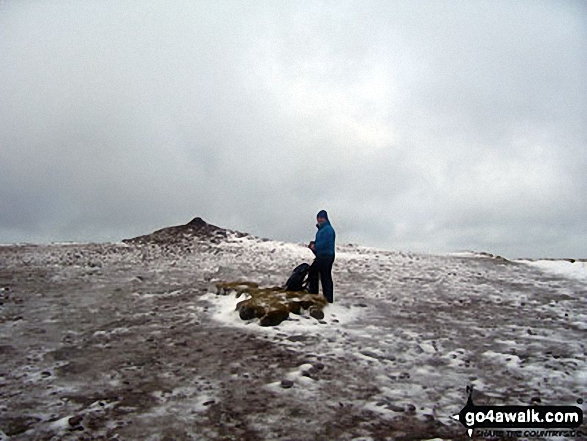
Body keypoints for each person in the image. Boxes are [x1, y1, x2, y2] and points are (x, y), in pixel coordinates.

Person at [308, 210, 336, 303]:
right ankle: (327, 299)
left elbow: (325, 243)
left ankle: (314, 295)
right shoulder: (322, 230)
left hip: (326, 256)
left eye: (321, 217)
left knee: (314, 272)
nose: (319, 219)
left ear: (325, 218)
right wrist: (314, 247)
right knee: (325, 276)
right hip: (325, 255)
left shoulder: (327, 229)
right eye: (318, 217)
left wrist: (315, 246)